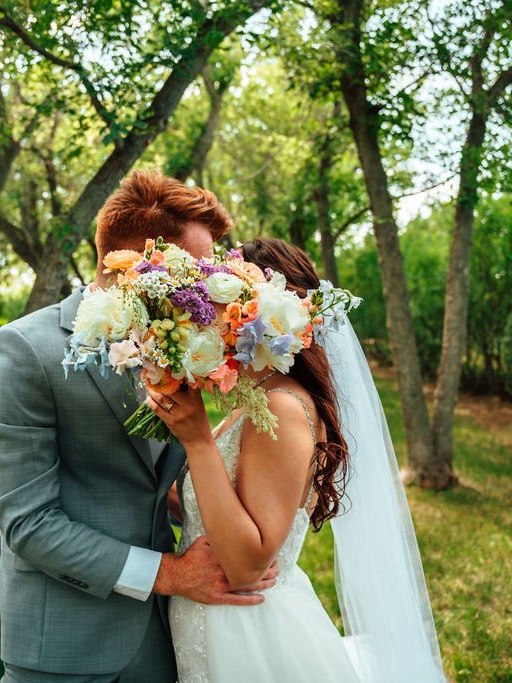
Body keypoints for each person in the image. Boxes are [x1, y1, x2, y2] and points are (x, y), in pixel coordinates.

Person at [0, 169, 278, 683]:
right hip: (64, 644)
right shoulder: (24, 350)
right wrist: (175, 575)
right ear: (140, 266)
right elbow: (27, 523)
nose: (210, 293)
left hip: (164, 638)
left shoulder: (181, 344)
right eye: (199, 273)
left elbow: (148, 475)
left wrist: (232, 530)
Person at [149, 237, 447, 682]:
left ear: (254, 315)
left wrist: (198, 442)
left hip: (249, 637)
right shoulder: (255, 398)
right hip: (217, 626)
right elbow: (217, 504)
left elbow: (247, 568)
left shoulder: (284, 408)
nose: (202, 318)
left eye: (214, 305)